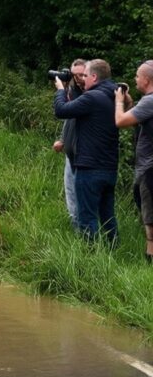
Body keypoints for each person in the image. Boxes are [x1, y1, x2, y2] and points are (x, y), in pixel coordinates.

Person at [54, 59, 120, 243]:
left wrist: (60, 89)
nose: (83, 79)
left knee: (87, 216)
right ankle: (112, 249)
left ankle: (89, 254)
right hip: (109, 167)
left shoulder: (92, 98)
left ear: (94, 76)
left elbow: (61, 110)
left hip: (90, 167)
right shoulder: (114, 96)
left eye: (85, 75)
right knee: (107, 215)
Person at [114, 60, 153, 262]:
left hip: (150, 169)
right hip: (146, 168)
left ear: (146, 79)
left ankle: (150, 259)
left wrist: (118, 101)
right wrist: (128, 101)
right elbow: (134, 116)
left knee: (150, 218)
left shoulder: (150, 101)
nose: (135, 79)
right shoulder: (147, 101)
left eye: (137, 76)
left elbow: (121, 121)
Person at [52, 59, 88, 226]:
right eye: (74, 75)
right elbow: (69, 118)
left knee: (82, 195)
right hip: (70, 152)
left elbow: (62, 110)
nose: (78, 79)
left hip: (84, 154)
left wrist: (61, 90)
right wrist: (63, 139)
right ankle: (76, 229)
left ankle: (84, 232)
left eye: (81, 75)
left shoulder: (90, 94)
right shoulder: (73, 90)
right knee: (71, 193)